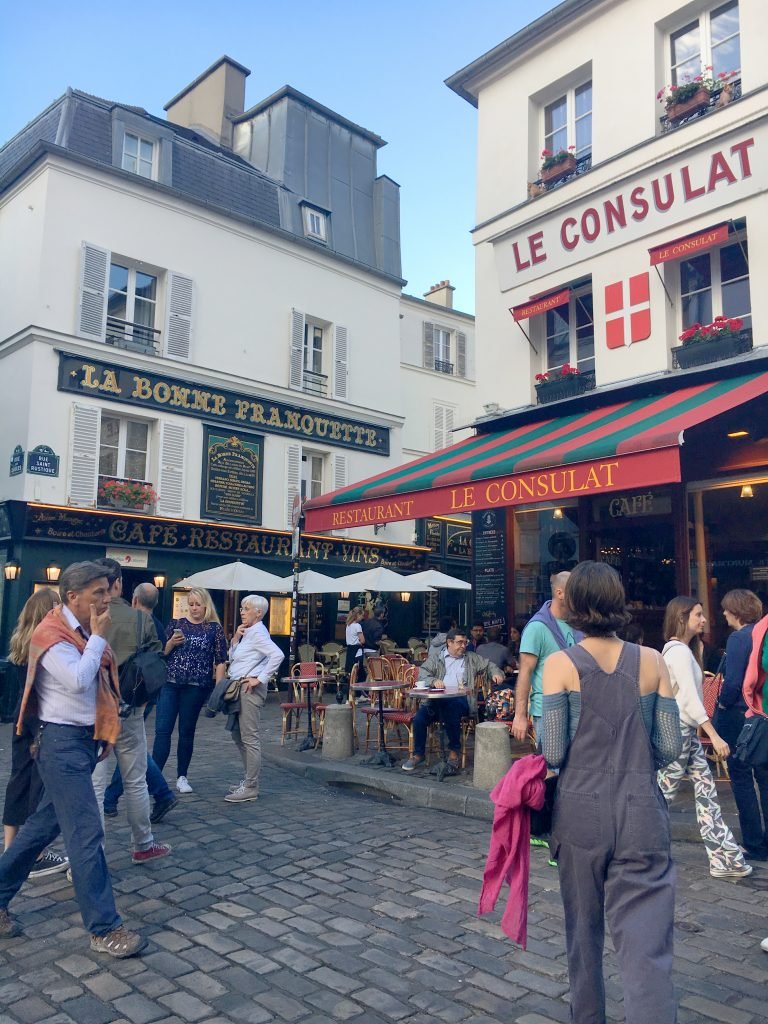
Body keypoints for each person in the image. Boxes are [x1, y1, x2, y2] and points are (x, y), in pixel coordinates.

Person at [542, 561, 682, 1024]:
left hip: (579, 813)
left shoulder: (560, 664)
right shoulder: (654, 661)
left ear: (574, 606)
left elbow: (554, 751)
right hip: (641, 812)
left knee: (582, 936)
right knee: (647, 950)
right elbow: (669, 747)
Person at [0, 561, 146, 957]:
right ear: (73, 597)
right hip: (61, 745)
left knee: (40, 828)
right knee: (85, 833)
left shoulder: (77, 631)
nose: (107, 598)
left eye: (108, 590)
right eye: (98, 592)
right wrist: (98, 638)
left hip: (77, 743)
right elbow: (79, 680)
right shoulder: (51, 635)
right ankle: (104, 928)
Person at [657, 596, 751, 879]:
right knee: (662, 797)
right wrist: (714, 735)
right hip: (679, 733)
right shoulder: (678, 653)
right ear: (682, 618)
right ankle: (634, 849)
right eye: (698, 614)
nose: (704, 619)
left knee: (702, 794)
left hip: (683, 733)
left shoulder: (681, 651)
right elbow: (688, 700)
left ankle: (724, 858)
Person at [90, 560, 171, 864]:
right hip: (129, 707)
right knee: (135, 779)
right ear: (119, 584)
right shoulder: (140, 620)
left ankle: (92, 854)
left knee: (94, 784)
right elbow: (155, 659)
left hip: (92, 707)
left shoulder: (85, 616)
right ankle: (143, 843)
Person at [2, 589, 69, 879]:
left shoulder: (20, 639)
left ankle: (10, 848)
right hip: (40, 714)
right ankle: (36, 855)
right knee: (37, 784)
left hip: (22, 714)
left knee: (18, 778)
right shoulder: (46, 640)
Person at [102, 583, 178, 824]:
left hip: (127, 692)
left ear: (135, 599)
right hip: (141, 692)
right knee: (131, 747)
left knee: (128, 748)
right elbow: (157, 658)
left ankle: (113, 798)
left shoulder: (137, 621)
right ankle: (158, 794)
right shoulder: (154, 624)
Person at [152, 587, 227, 794]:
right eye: (191, 604)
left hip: (195, 686)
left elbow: (220, 660)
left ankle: (182, 776)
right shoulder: (177, 624)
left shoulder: (213, 629)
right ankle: (155, 777)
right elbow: (160, 653)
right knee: (163, 731)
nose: (194, 608)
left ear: (206, 606)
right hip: (170, 682)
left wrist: (218, 689)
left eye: (198, 604)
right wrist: (170, 643)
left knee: (186, 731)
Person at [402, 627, 504, 772]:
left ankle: (454, 752)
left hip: (461, 700)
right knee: (420, 718)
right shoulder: (437, 658)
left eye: (465, 642)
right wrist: (433, 680)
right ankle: (418, 754)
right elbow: (423, 673)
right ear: (449, 642)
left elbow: (489, 665)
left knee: (451, 710)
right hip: (437, 700)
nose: (463, 646)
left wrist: (496, 673)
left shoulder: (471, 658)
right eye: (460, 642)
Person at [714, 589, 768, 860]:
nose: (724, 613)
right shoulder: (762, 634)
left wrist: (721, 704)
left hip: (738, 715)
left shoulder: (738, 638)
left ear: (736, 611)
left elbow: (733, 682)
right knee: (764, 777)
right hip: (761, 713)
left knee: (741, 777)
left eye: (726, 609)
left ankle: (754, 843)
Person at [223, 595, 284, 803]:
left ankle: (251, 786)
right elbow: (234, 659)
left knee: (248, 737)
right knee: (238, 735)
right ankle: (249, 780)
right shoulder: (249, 632)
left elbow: (277, 655)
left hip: (248, 690)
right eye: (242, 608)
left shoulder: (258, 633)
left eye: (246, 608)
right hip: (240, 687)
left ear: (258, 613)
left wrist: (260, 678)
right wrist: (235, 639)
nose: (242, 612)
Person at [512, 571, 582, 745]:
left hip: (578, 709)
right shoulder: (537, 627)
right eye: (576, 591)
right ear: (560, 593)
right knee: (552, 761)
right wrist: (520, 716)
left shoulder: (580, 624)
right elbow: (525, 672)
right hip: (548, 712)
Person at [345, 606, 367, 684]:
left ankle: (351, 686)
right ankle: (360, 688)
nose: (362, 618)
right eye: (362, 615)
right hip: (357, 652)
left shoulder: (348, 625)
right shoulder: (357, 626)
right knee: (359, 672)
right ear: (358, 615)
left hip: (350, 651)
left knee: (351, 671)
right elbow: (363, 640)